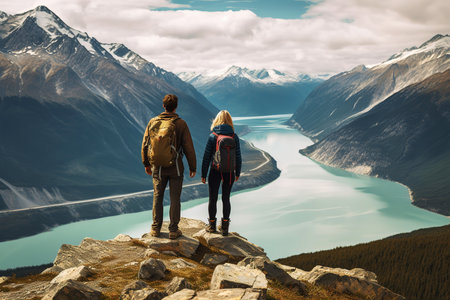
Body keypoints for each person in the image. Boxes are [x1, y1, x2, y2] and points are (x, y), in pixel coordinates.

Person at [141, 94, 196, 239]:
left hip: (158, 167)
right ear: (176, 106)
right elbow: (188, 147)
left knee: (158, 196)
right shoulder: (181, 124)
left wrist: (146, 163)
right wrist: (193, 167)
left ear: (163, 105)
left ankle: (155, 229)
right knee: (174, 198)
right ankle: (173, 230)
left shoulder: (153, 122)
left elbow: (145, 144)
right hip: (176, 167)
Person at [201, 110, 242, 236]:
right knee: (226, 198)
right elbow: (238, 156)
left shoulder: (213, 136)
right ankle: (225, 227)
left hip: (215, 170)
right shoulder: (234, 136)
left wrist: (203, 174)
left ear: (216, 120)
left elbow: (207, 157)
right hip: (229, 172)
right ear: (230, 121)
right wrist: (237, 172)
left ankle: (212, 226)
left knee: (212, 198)